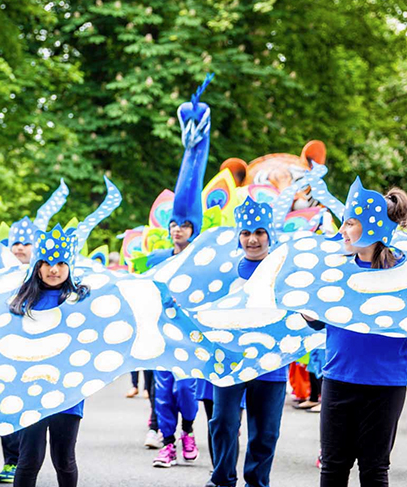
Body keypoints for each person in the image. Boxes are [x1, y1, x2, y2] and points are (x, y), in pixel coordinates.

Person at [305, 181, 407, 487]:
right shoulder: (335, 269)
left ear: (372, 228)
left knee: (374, 469)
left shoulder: (402, 272)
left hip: (386, 383)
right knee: (333, 467)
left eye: (349, 223)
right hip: (339, 377)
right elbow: (320, 321)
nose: (342, 231)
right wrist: (309, 312)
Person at [207, 198, 287, 487]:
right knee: (223, 423)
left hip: (271, 362)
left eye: (260, 232)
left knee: (265, 431)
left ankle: (257, 482)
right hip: (229, 361)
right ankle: (222, 480)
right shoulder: (223, 271)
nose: (253, 239)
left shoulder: (284, 272)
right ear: (238, 235)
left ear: (270, 234)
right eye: (246, 233)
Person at [8, 226, 90, 487]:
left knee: (64, 459)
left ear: (70, 265)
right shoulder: (21, 301)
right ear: (37, 265)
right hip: (30, 390)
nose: (54, 269)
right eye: (47, 262)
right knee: (29, 459)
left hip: (68, 392)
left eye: (61, 263)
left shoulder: (81, 299)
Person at [144, 220, 199, 457]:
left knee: (186, 388)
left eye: (184, 225)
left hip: (190, 337)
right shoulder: (157, 259)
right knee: (163, 392)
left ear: (193, 230)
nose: (178, 229)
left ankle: (187, 430)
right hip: (162, 336)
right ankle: (167, 444)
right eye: (174, 224)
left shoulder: (201, 260)